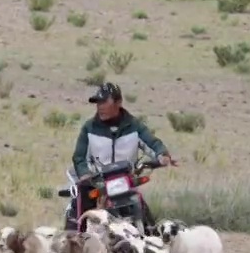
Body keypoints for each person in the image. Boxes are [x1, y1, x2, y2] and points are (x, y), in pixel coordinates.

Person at [66, 82, 176, 233]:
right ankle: (75, 241)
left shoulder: (134, 126)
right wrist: (86, 174)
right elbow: (79, 157)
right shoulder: (89, 128)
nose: (100, 106)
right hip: (98, 183)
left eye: (104, 102)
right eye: (98, 102)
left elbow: (152, 143)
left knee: (144, 212)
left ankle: (151, 240)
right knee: (81, 206)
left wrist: (162, 154)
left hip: (125, 180)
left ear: (118, 102)